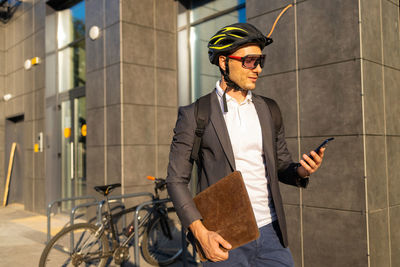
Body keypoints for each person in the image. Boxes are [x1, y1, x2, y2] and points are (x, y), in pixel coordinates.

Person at [166, 22, 325, 266]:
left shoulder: (269, 109)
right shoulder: (195, 114)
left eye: (261, 61)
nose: (258, 68)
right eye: (250, 61)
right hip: (223, 238)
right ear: (223, 62)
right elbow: (176, 180)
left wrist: (301, 170)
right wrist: (201, 233)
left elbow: (282, 165)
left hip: (272, 234)